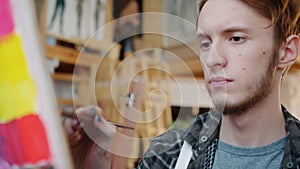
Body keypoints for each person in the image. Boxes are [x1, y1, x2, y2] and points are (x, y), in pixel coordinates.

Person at [137, 0, 300, 168]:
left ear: (286, 52)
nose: (212, 59)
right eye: (206, 44)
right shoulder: (166, 156)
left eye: (236, 39)